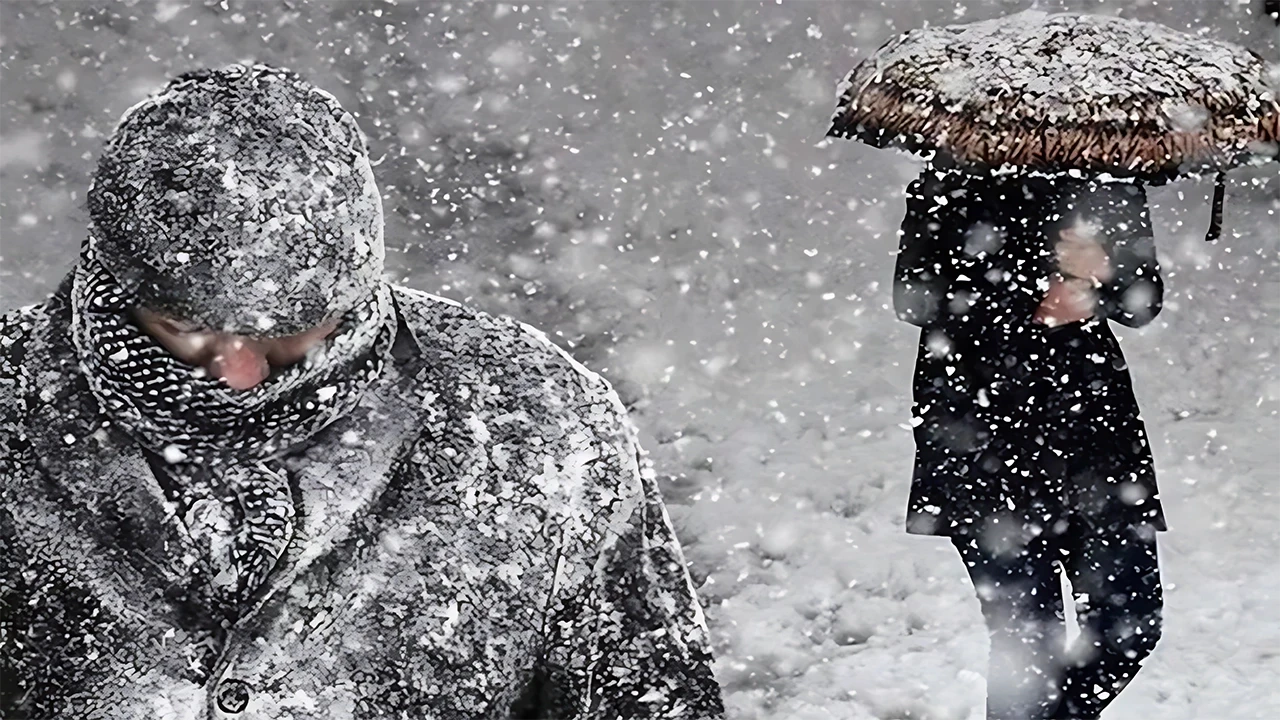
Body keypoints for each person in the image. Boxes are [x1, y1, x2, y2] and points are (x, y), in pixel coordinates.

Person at [0, 63, 725, 719]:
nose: (239, 374)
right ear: (112, 282)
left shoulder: (535, 421)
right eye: (184, 329)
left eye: (294, 333)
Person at [893, 164, 1165, 720]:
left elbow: (1144, 300)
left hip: (1093, 436)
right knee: (1027, 643)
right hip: (983, 441)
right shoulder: (951, 179)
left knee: (1130, 623)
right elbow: (915, 299)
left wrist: (1104, 275)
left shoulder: (1106, 176)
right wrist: (1032, 293)